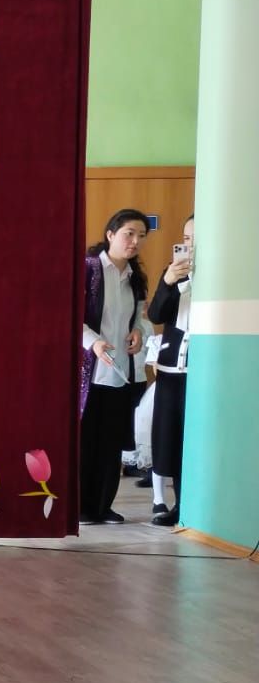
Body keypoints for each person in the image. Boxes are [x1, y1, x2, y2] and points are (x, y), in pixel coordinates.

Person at [78, 208, 148, 525]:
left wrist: (138, 332)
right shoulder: (89, 269)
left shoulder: (135, 278)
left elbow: (140, 319)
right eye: (129, 234)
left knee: (111, 443)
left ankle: (103, 505)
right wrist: (93, 342)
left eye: (141, 236)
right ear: (110, 234)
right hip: (90, 370)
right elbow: (70, 315)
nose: (135, 241)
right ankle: (80, 506)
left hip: (120, 371)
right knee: (86, 441)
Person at [147, 213, 194, 526]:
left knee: (195, 438)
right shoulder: (173, 272)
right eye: (186, 239)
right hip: (171, 367)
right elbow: (155, 314)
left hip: (203, 369)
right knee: (172, 437)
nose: (190, 245)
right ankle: (179, 506)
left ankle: (199, 506)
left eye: (196, 239)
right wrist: (168, 282)